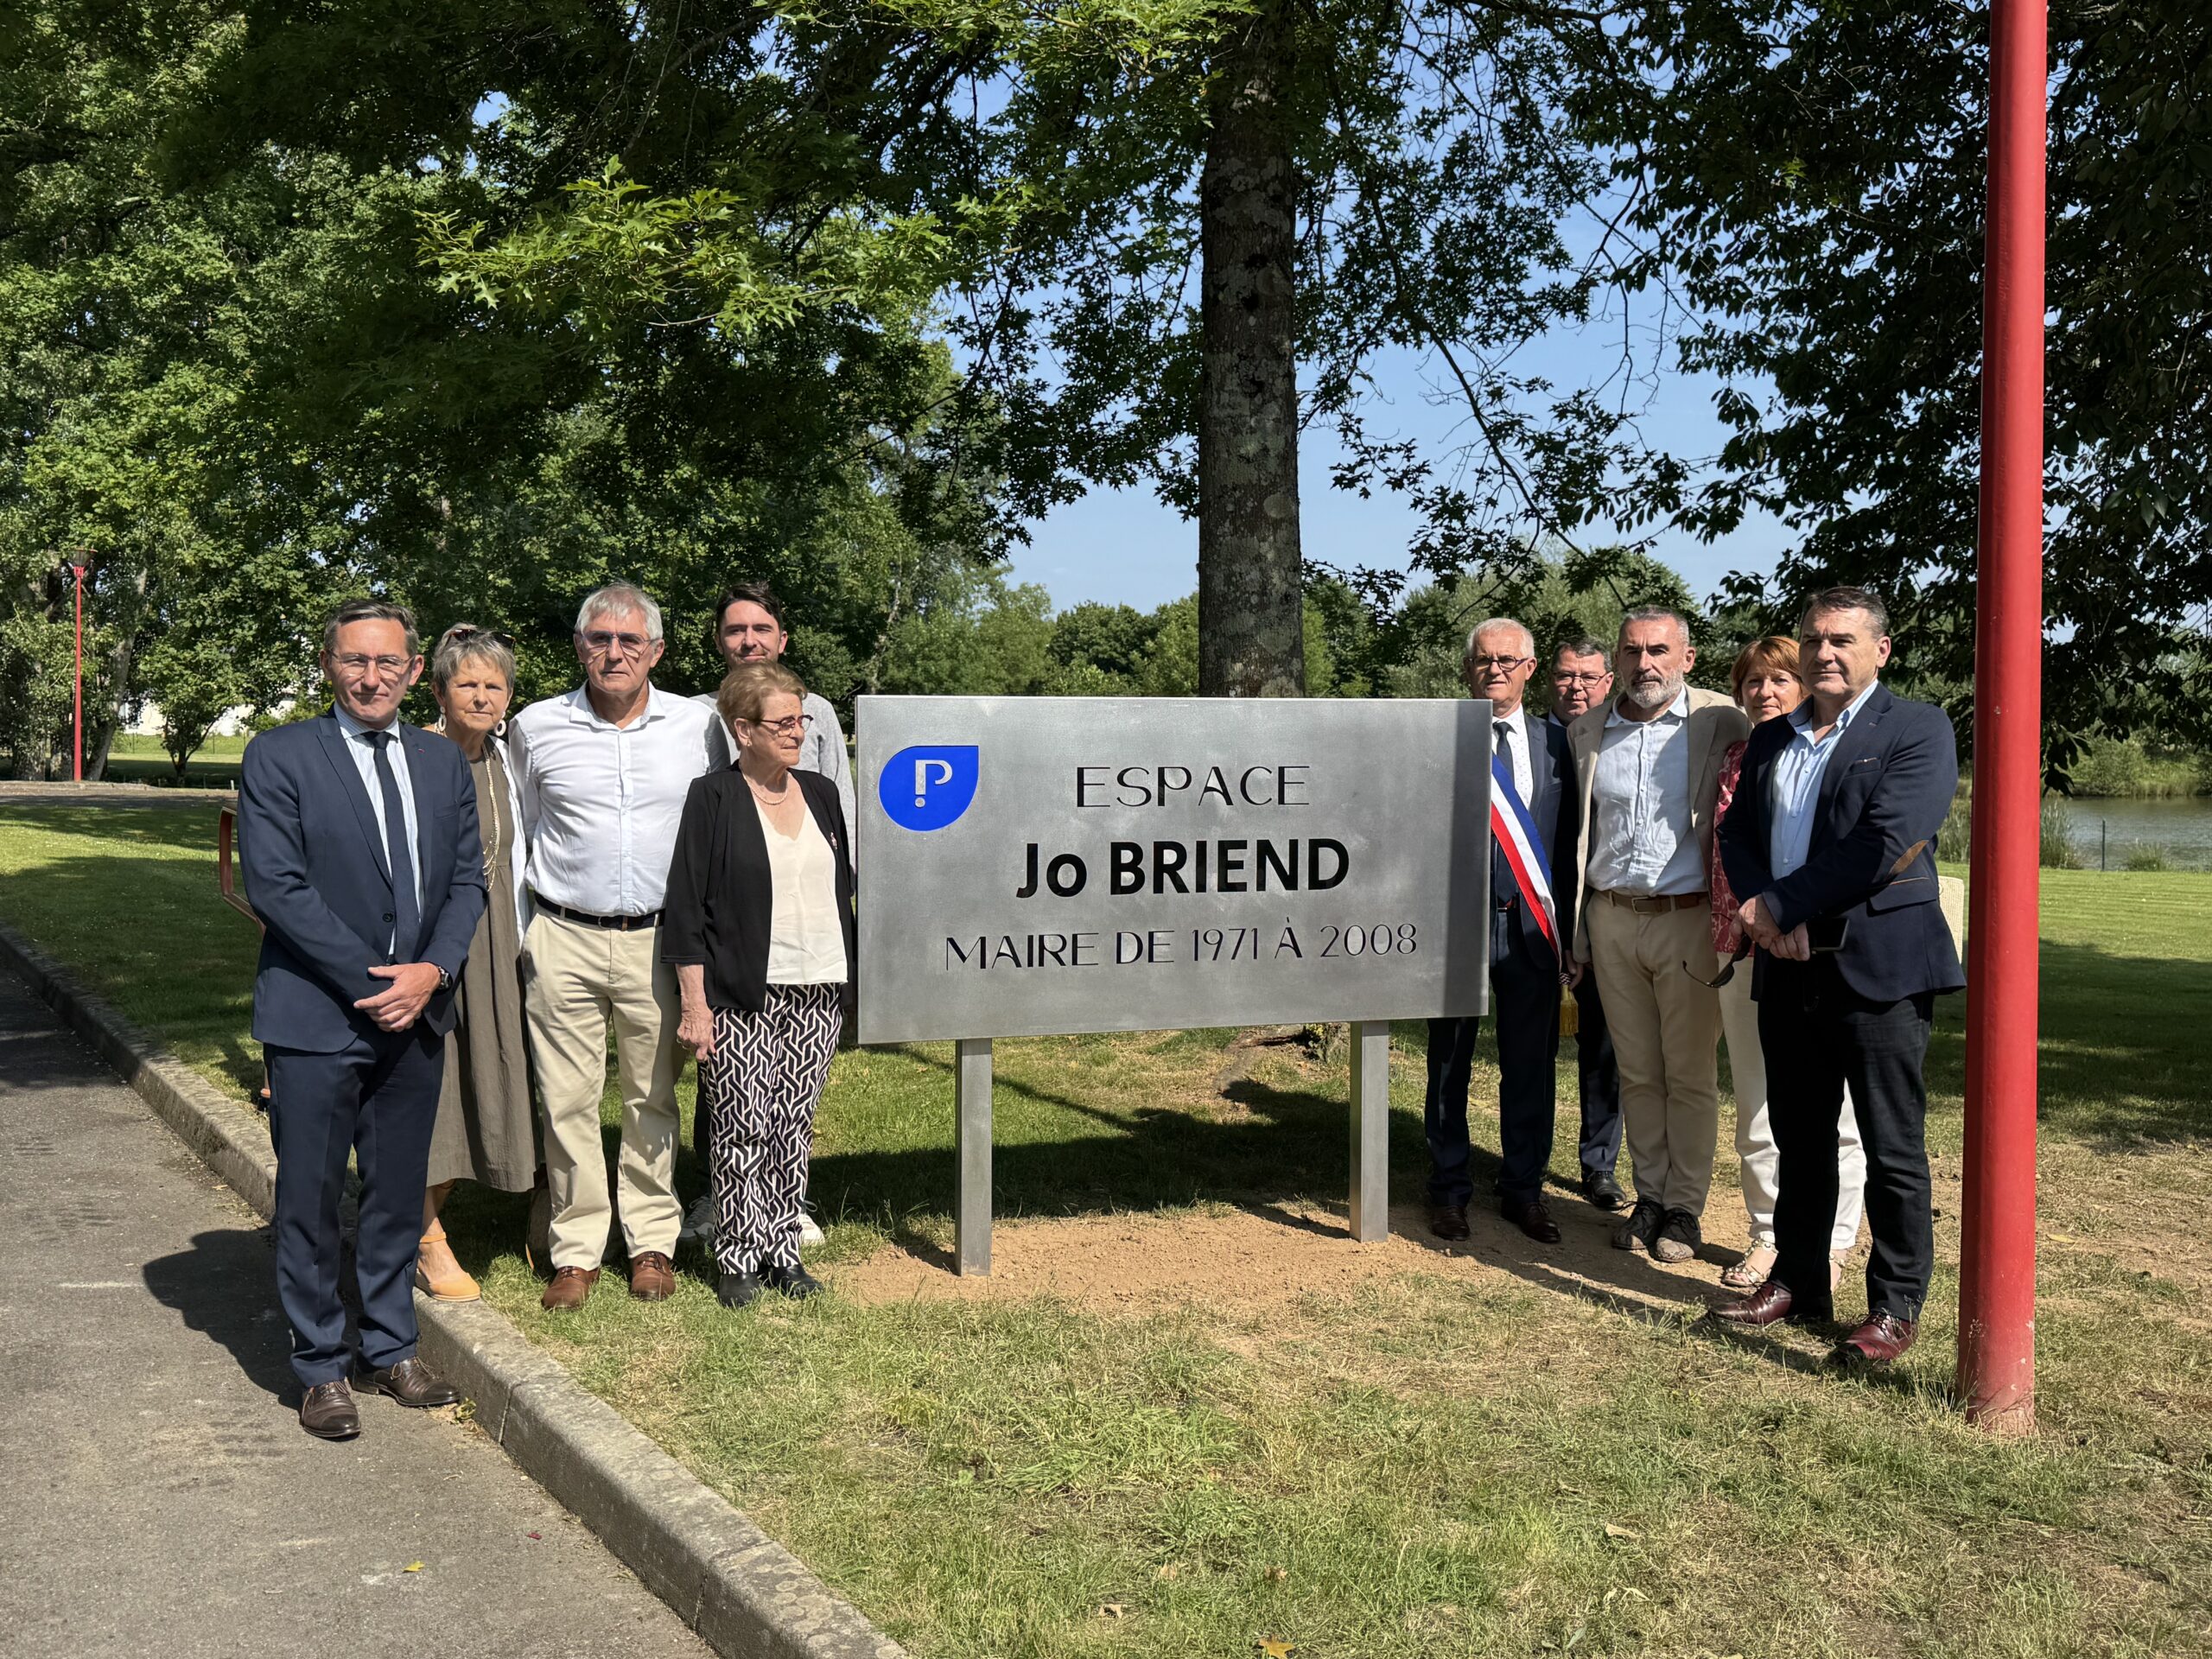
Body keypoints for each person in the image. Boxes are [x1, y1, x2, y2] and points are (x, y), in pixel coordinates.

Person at [238, 598, 486, 1439]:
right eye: (354, 660)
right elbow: (276, 887)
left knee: (395, 1195)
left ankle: (391, 1347)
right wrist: (375, 982)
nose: (371, 677)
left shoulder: (441, 762)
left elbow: (468, 880)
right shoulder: (279, 756)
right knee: (309, 1198)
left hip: (417, 1017)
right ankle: (320, 1366)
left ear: (415, 670)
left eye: (387, 662)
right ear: (328, 665)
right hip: (317, 1017)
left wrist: (432, 972)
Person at [1709, 588, 1965, 1367]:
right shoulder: (1772, 736)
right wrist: (1764, 910)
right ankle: (1798, 1280)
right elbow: (1737, 830)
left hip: (1878, 966)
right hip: (1786, 965)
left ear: (1879, 650)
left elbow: (1885, 840)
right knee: (1800, 1136)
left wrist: (1783, 907)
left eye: (1843, 639)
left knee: (1891, 1144)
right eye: (1815, 638)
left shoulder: (1916, 727)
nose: (1825, 652)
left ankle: (1893, 1305)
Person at [509, 583, 721, 1311]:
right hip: (562, 933)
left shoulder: (697, 727)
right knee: (566, 1100)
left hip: (658, 941)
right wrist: (525, 933)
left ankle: (651, 1242)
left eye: (630, 641)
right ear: (579, 647)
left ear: (656, 651)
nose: (614, 652)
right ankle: (576, 1250)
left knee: (650, 1096)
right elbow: (522, 830)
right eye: (599, 638)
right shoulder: (537, 727)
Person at [664, 663, 857, 1307]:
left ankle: (782, 1252)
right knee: (741, 1123)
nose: (798, 732)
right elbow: (687, 909)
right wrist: (695, 1003)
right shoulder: (713, 797)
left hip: (818, 984)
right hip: (742, 988)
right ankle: (738, 1257)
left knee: (792, 1125)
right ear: (743, 730)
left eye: (801, 720)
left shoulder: (821, 793)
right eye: (783, 723)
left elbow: (840, 887)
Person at [1565, 608, 1747, 1265]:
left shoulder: (1723, 721)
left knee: (1689, 1073)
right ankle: (1649, 1196)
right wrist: (1577, 933)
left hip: (1689, 919)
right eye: (1633, 651)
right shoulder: (1587, 731)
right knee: (1638, 1072)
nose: (1645, 664)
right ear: (1616, 658)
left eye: (1659, 651)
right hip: (1611, 919)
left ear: (1687, 658)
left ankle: (1684, 1209)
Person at [1711, 636, 1868, 1292]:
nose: (1765, 692)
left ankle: (1832, 1243)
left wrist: (1791, 912)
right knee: (1757, 1105)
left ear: (1804, 686)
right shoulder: (1737, 759)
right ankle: (1769, 1236)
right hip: (1746, 949)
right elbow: (1729, 846)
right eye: (1753, 682)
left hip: (1824, 948)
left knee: (1839, 1114)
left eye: (1780, 679)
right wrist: (1753, 924)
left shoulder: (1837, 750)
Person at [1426, 620, 1580, 1245]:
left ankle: (1523, 1190)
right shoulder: (1440, 738)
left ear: (1530, 669)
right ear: (1468, 668)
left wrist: (1572, 932)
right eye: (1484, 660)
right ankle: (1447, 1190)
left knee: (1529, 1065)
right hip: (1455, 926)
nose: (1496, 669)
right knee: (1449, 1063)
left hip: (1531, 928)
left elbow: (1570, 843)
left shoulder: (1560, 743)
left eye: (1508, 660)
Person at [416, 624, 540, 1303]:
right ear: (440, 692)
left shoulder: (506, 762)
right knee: (432, 1088)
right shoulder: (415, 756)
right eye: (467, 684)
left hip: (496, 941)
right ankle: (424, 1236)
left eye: (495, 685)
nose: (482, 696)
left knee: (485, 1077)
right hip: (432, 942)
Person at [1548, 636, 1624, 1210]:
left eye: (1589, 677)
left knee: (1604, 1049)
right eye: (1565, 676)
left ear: (1608, 682)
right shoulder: (1526, 739)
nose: (1576, 687)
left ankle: (1599, 1164)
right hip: (1530, 916)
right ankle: (1524, 1159)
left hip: (1599, 915)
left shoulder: (1619, 739)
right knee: (1530, 1049)